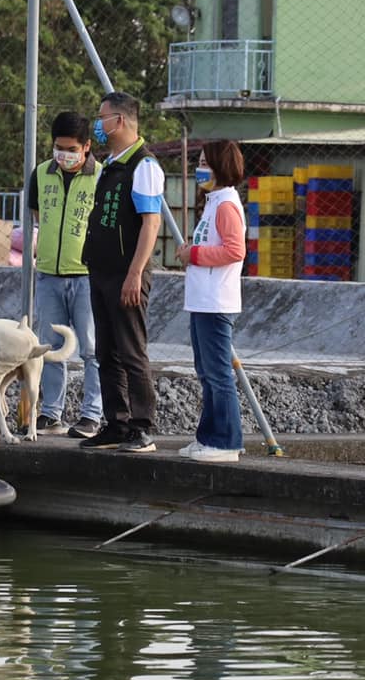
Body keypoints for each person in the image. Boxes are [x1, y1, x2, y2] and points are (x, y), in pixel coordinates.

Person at [78, 90, 164, 453]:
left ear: (121, 120)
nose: (98, 124)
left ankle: (142, 426)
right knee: (106, 351)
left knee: (131, 350)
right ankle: (116, 422)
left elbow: (150, 223)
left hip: (126, 273)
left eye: (103, 118)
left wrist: (135, 273)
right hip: (101, 270)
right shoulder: (111, 163)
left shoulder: (143, 166)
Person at [26, 110, 103, 439]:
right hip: (48, 275)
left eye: (70, 148)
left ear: (86, 146)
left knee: (91, 348)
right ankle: (50, 413)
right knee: (51, 346)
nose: (63, 154)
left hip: (87, 276)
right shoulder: (41, 173)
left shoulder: (102, 176)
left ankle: (91, 415)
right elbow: (36, 212)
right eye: (58, 147)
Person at [176, 140, 247, 463]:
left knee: (218, 374)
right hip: (203, 301)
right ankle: (208, 437)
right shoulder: (213, 202)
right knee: (206, 372)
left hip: (216, 303)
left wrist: (194, 254)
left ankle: (227, 442)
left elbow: (235, 250)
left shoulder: (226, 205)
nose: (199, 167)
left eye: (205, 161)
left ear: (220, 166)